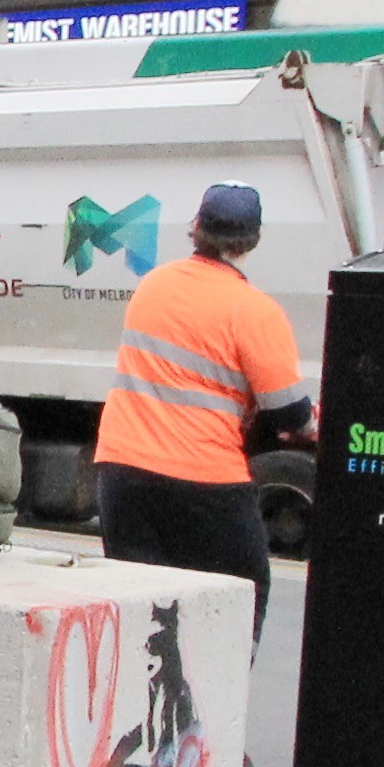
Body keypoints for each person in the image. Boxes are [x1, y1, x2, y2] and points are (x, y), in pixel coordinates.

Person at [96, 182, 311, 644]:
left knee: (140, 615)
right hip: (204, 482)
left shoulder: (153, 286)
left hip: (122, 473)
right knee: (235, 601)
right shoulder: (254, 310)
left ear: (196, 228)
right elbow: (289, 413)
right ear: (253, 239)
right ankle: (214, 711)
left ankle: (140, 709)